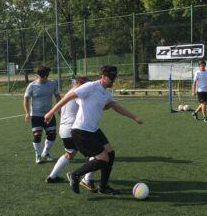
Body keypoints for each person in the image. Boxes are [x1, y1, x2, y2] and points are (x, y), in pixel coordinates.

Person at [44, 65, 143, 195]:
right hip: (81, 131)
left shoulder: (106, 93)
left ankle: (103, 187)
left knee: (110, 154)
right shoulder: (90, 86)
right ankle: (75, 175)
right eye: (110, 78)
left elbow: (115, 106)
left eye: (114, 78)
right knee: (102, 158)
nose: (112, 81)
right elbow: (69, 96)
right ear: (102, 77)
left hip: (94, 130)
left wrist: (134, 117)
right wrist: (51, 112)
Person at [45, 76, 96, 192]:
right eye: (85, 85)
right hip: (74, 129)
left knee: (69, 153)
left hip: (63, 129)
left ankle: (52, 177)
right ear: (78, 83)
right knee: (97, 154)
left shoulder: (68, 93)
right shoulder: (77, 93)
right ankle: (86, 180)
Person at [23, 65, 61, 164]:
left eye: (45, 76)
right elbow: (26, 99)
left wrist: (59, 108)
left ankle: (46, 152)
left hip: (49, 114)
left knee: (52, 135)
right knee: (37, 135)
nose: (44, 78)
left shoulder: (53, 84)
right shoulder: (32, 86)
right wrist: (27, 113)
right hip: (36, 115)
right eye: (42, 76)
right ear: (39, 75)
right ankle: (38, 155)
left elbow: (57, 96)